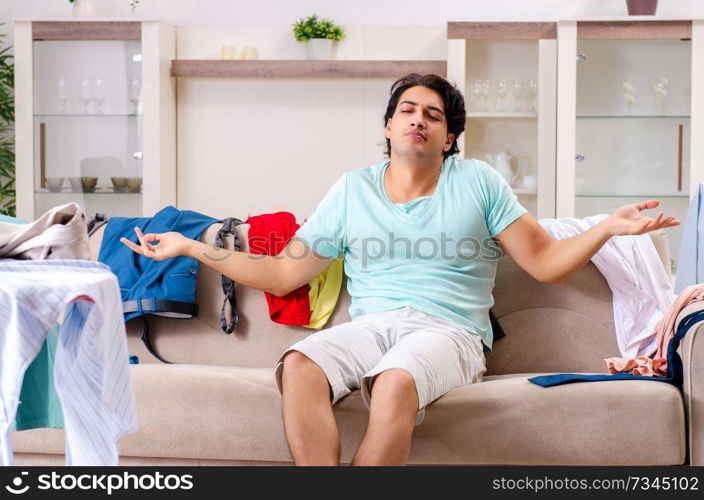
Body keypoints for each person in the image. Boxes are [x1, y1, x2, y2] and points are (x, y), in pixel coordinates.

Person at [120, 73, 680, 466]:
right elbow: (282, 276)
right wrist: (192, 249)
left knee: (393, 383)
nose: (419, 120)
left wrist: (606, 227)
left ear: (449, 138)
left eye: (433, 115)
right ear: (388, 127)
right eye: (407, 111)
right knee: (299, 366)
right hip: (371, 325)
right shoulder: (352, 188)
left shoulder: (478, 181)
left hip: (450, 332)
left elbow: (543, 261)